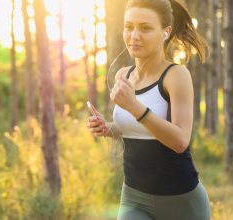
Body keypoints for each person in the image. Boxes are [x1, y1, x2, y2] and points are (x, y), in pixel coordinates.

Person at [86, 0, 211, 219]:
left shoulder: (176, 76)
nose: (134, 35)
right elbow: (135, 129)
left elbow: (180, 141)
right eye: (129, 26)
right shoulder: (123, 75)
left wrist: (134, 107)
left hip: (181, 201)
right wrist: (108, 128)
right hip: (134, 198)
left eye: (145, 28)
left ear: (165, 32)